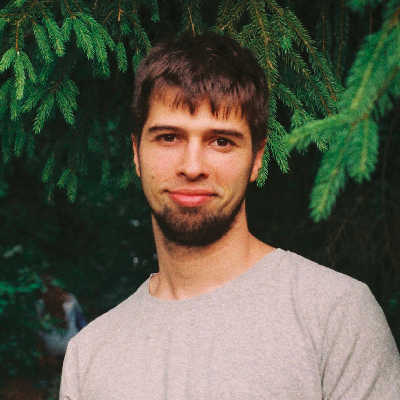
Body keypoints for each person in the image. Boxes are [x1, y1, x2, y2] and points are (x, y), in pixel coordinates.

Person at [59, 34, 400, 399]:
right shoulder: (90, 354)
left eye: (221, 141)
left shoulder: (336, 314)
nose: (192, 167)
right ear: (136, 153)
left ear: (256, 158)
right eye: (169, 137)